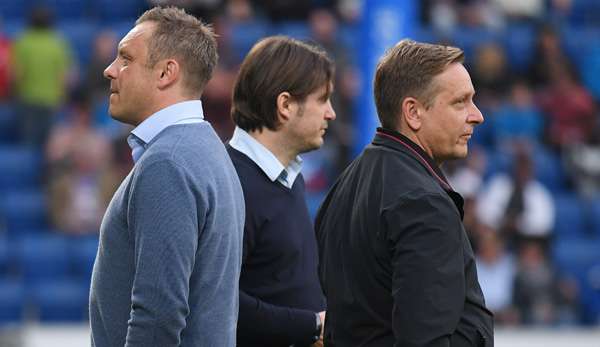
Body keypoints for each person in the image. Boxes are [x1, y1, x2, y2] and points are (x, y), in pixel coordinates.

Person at [315, 39, 494, 346]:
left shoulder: (344, 186)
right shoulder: (424, 203)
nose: (476, 115)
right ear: (413, 112)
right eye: (460, 102)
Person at [89, 7, 245, 347]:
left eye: (126, 59)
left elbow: (158, 317)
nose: (110, 70)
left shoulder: (168, 163)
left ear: (166, 73)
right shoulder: (209, 149)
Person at [227, 36, 335, 347]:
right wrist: (312, 325)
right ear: (285, 105)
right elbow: (216, 300)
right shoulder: (231, 183)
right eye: (323, 99)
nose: (331, 113)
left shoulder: (289, 178)